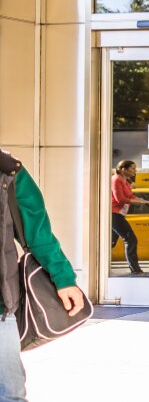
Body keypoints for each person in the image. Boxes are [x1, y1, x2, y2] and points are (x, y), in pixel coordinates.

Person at [1, 149, 86, 402]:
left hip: (0, 304)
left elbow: (38, 232)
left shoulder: (8, 170)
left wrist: (64, 279)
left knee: (9, 392)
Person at [111, 159, 149, 275]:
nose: (135, 170)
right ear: (123, 169)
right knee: (131, 240)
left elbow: (130, 195)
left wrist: (145, 201)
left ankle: (97, 261)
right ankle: (135, 269)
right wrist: (140, 203)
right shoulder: (116, 180)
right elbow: (121, 199)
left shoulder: (125, 181)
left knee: (111, 242)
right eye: (133, 168)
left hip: (120, 214)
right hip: (114, 214)